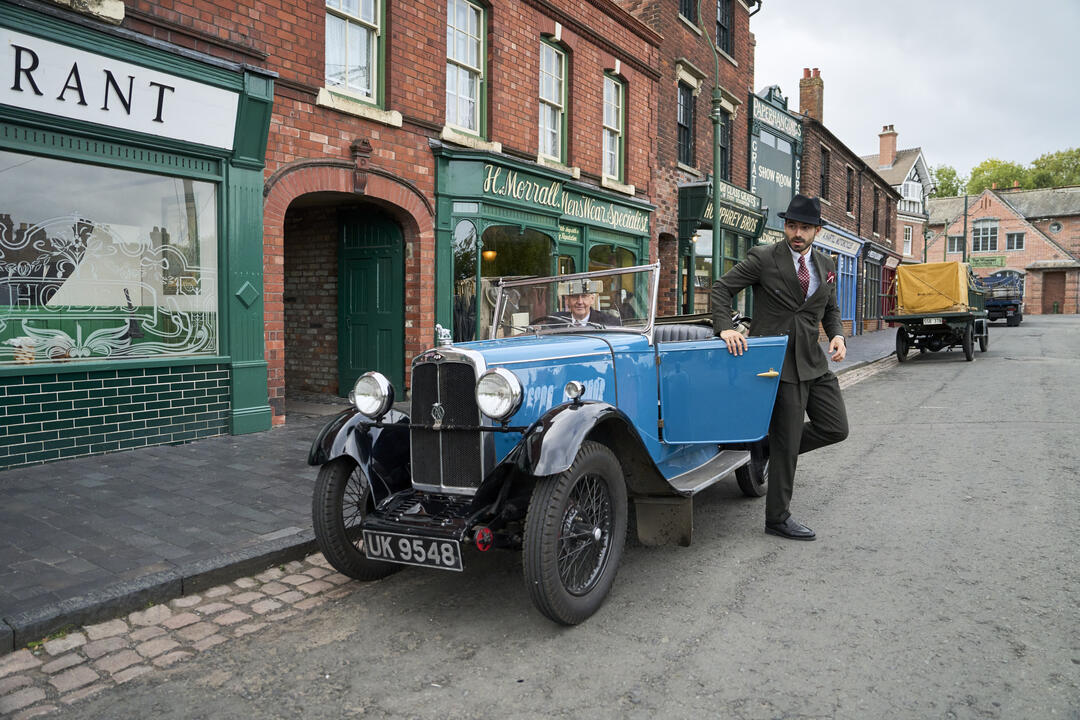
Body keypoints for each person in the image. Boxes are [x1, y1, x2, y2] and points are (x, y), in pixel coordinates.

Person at [710, 194, 848, 541]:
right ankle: (777, 518)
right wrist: (725, 326)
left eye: (804, 227)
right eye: (791, 226)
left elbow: (829, 308)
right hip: (776, 362)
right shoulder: (764, 258)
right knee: (788, 442)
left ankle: (767, 446)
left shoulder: (825, 265)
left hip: (813, 361)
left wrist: (838, 335)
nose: (796, 233)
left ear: (817, 229)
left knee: (836, 427)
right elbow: (721, 288)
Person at [553, 279, 621, 327]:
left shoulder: (610, 323)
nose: (580, 302)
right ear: (567, 300)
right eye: (575, 297)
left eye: (584, 296)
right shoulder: (555, 322)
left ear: (592, 299)